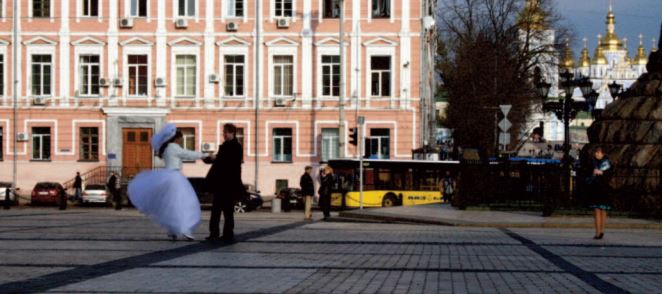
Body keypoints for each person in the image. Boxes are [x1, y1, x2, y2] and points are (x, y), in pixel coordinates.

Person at [128, 123, 210, 241]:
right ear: (176, 138)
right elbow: (188, 154)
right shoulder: (173, 147)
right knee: (183, 204)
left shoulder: (166, 148)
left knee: (172, 205)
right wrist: (205, 155)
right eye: (180, 139)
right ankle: (184, 229)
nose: (181, 141)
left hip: (168, 176)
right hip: (174, 177)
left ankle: (173, 230)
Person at [204, 123, 244, 242]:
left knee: (227, 211)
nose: (224, 134)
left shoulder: (236, 146)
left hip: (229, 184)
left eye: (225, 132)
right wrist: (207, 158)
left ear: (232, 133)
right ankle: (214, 233)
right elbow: (219, 161)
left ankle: (227, 234)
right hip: (221, 183)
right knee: (216, 210)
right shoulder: (226, 145)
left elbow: (229, 162)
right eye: (223, 132)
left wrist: (216, 159)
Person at [584, 146, 613, 240]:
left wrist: (602, 173)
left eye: (599, 152)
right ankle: (597, 232)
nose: (597, 154)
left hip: (604, 189)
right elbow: (586, 173)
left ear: (603, 154)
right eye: (596, 152)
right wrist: (593, 172)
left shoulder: (607, 163)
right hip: (595, 188)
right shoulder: (592, 162)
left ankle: (602, 231)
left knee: (603, 210)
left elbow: (610, 175)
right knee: (596, 210)